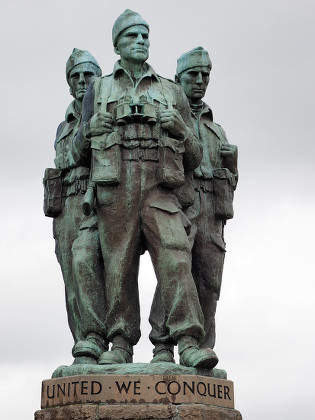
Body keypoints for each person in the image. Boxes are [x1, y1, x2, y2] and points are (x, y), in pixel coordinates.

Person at [73, 10, 218, 369]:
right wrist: (91, 128)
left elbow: (195, 157)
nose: (140, 42)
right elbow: (78, 154)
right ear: (117, 45)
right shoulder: (99, 88)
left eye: (144, 36)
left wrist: (182, 131)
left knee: (176, 256)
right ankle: (120, 342)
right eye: (131, 37)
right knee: (118, 267)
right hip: (115, 187)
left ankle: (187, 341)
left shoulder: (170, 90)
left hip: (159, 188)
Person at [149, 47, 238, 362]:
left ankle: (202, 345)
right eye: (193, 75)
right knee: (175, 272)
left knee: (210, 281)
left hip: (213, 210)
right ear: (178, 79)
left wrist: (233, 165)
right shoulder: (168, 118)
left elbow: (231, 180)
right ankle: (162, 344)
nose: (200, 81)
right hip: (180, 204)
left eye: (205, 75)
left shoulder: (217, 130)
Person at [44, 48, 108, 364]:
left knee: (101, 273)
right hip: (66, 203)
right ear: (70, 84)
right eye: (76, 76)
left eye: (88, 75)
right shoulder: (63, 126)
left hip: (97, 201)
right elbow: (64, 160)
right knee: (71, 281)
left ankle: (109, 343)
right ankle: (83, 345)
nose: (82, 81)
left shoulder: (105, 112)